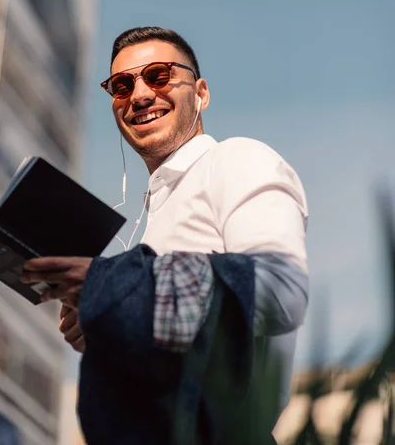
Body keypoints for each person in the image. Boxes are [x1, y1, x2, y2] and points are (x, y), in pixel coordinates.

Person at [20, 27, 308, 445]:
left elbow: (281, 287)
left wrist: (115, 287)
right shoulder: (154, 216)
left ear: (201, 93)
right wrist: (110, 316)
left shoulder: (235, 158)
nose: (138, 95)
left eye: (158, 75)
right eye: (121, 86)